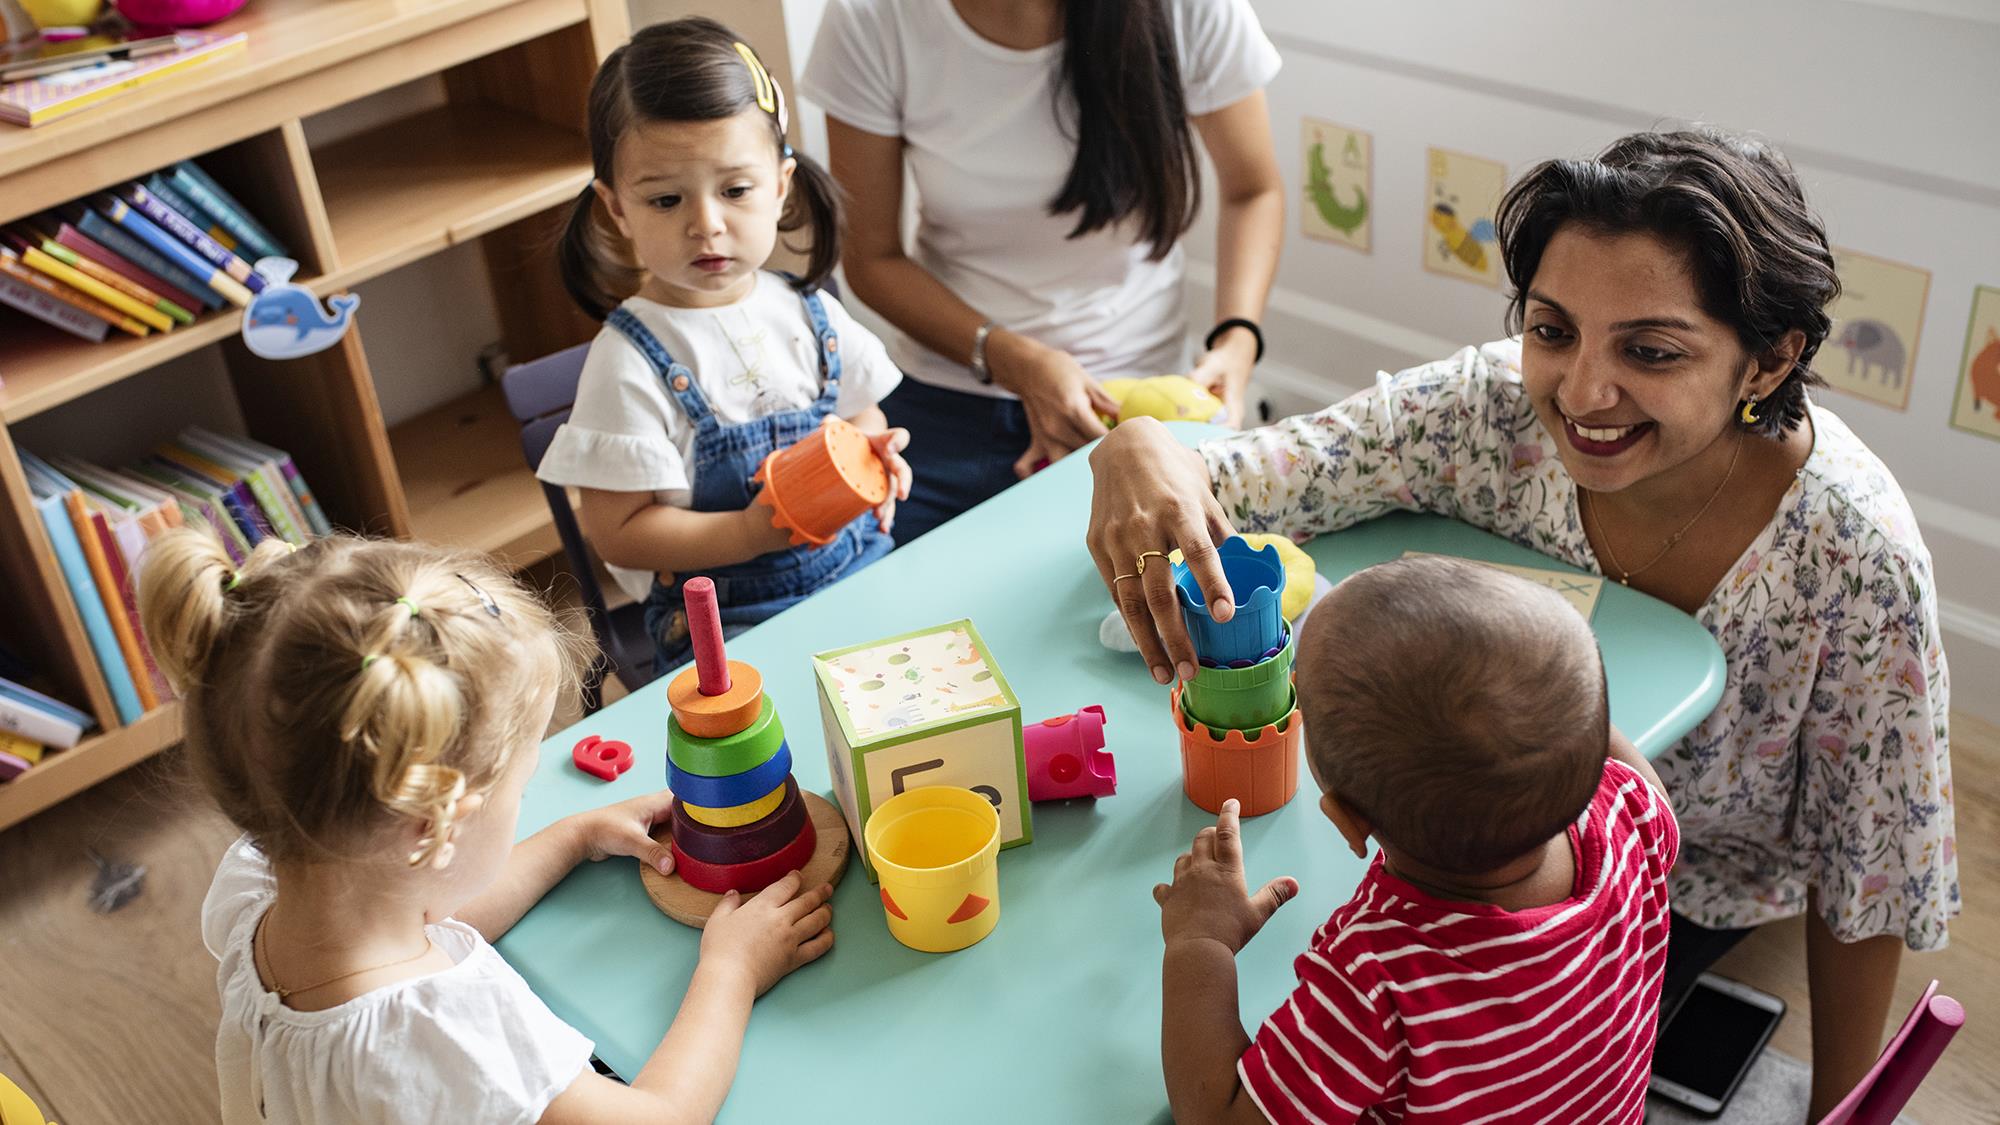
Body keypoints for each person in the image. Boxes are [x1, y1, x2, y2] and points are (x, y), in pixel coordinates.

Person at [1089, 128, 1955, 1117]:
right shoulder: (1482, 411)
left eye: (1650, 350)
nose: (1581, 393)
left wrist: (1842, 1109)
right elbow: (1252, 477)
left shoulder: (1855, 555)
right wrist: (1143, 445)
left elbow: (1869, 867)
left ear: (1767, 359)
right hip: (1535, 854)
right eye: (1550, 330)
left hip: (1684, 894)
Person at [137, 530, 834, 1123]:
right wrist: (731, 969)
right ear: (431, 827)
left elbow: (426, 911)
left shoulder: (261, 885)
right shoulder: (446, 1032)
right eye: (523, 789)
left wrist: (571, 836)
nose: (528, 802)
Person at [1156, 557, 1679, 1123]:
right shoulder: (1632, 817)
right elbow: (1604, 749)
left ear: (1350, 822)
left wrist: (1201, 942)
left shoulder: (1376, 979)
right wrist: (1549, 700)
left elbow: (1215, 1116)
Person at [802, 0, 1285, 541]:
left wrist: (1238, 339)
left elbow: (1253, 190)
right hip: (950, 397)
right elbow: (871, 258)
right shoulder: (872, 18)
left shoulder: (1189, 11)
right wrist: (1016, 360)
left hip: (1140, 403)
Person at [542, 20, 913, 672]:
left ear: (781, 184)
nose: (706, 224)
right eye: (665, 199)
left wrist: (870, 457)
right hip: (729, 625)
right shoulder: (629, 361)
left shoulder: (809, 310)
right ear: (616, 209)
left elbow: (861, 412)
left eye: (735, 190)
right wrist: (746, 533)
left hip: (860, 568)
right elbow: (618, 532)